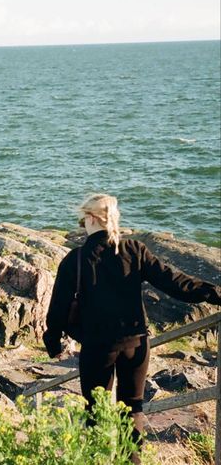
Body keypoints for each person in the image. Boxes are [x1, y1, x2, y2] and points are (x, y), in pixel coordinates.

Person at [43, 193, 221, 462]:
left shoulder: (75, 259)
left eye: (83, 220)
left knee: (97, 412)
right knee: (132, 409)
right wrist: (213, 293)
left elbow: (57, 309)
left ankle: (98, 459)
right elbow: (173, 281)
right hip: (136, 344)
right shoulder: (134, 250)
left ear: (91, 219)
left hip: (97, 347)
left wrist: (53, 343)